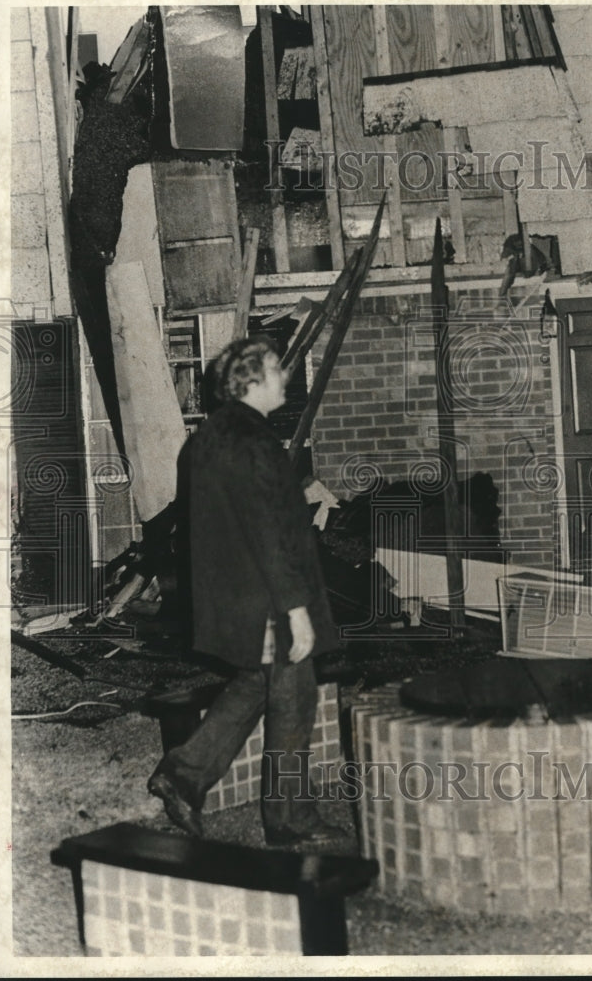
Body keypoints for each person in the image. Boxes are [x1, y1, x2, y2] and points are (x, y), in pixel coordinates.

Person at [148, 335, 343, 847]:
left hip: (234, 600)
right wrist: (295, 608)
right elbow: (268, 532)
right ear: (252, 381)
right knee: (295, 701)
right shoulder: (255, 442)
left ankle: (184, 774)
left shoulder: (209, 437)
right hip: (269, 602)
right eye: (277, 369)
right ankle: (290, 820)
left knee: (257, 685)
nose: (285, 378)